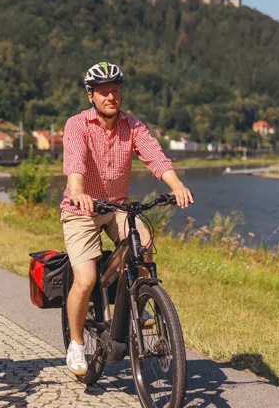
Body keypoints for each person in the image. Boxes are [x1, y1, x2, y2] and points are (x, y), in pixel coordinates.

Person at [60, 61, 194, 376]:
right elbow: (75, 161)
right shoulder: (77, 125)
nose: (111, 97)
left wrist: (176, 186)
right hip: (81, 209)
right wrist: (77, 191)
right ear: (91, 95)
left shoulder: (132, 126)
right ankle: (76, 343)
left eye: (116, 91)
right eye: (103, 92)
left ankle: (136, 305)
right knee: (86, 279)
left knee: (143, 246)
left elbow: (155, 157)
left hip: (116, 207)